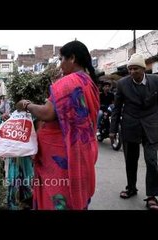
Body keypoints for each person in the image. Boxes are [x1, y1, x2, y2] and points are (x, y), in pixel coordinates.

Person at [15, 40, 100, 210]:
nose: (60, 65)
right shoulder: (88, 82)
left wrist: (26, 105)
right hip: (82, 149)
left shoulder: (69, 83)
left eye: (62, 59)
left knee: (59, 194)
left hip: (62, 154)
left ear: (72, 58)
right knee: (76, 193)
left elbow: (48, 113)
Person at [109, 53, 158, 210]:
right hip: (130, 125)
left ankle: (151, 196)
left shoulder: (156, 81)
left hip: (151, 126)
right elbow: (117, 108)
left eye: (135, 69)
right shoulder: (122, 84)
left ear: (143, 69)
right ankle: (131, 188)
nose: (132, 72)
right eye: (129, 69)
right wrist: (112, 130)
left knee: (151, 161)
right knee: (131, 160)